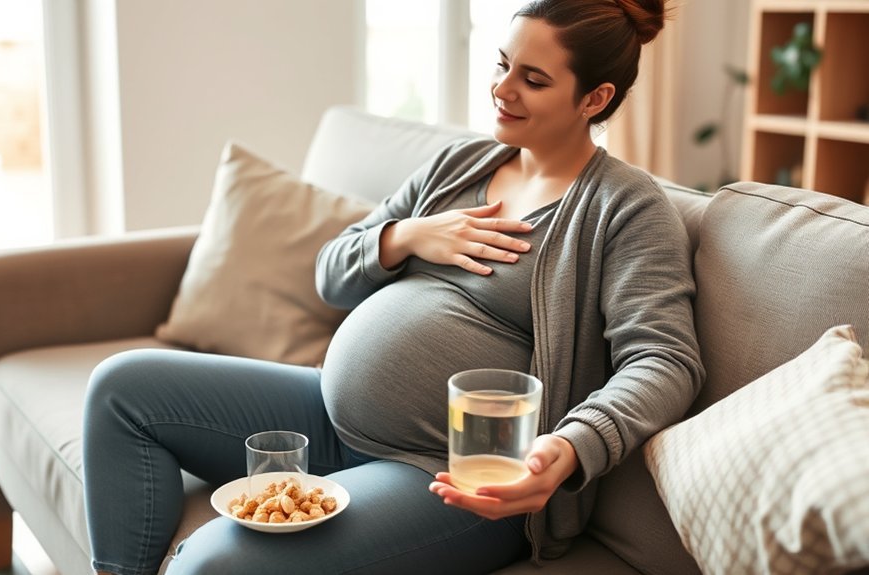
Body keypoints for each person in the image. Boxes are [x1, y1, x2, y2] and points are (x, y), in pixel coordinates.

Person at [82, 0, 704, 573]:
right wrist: (406, 236)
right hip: (329, 418)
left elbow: (665, 359)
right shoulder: (459, 166)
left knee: (213, 562)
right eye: (502, 64)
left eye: (533, 80)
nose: (501, 89)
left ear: (594, 98)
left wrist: (570, 446)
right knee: (121, 389)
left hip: (449, 473)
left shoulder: (626, 209)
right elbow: (330, 274)